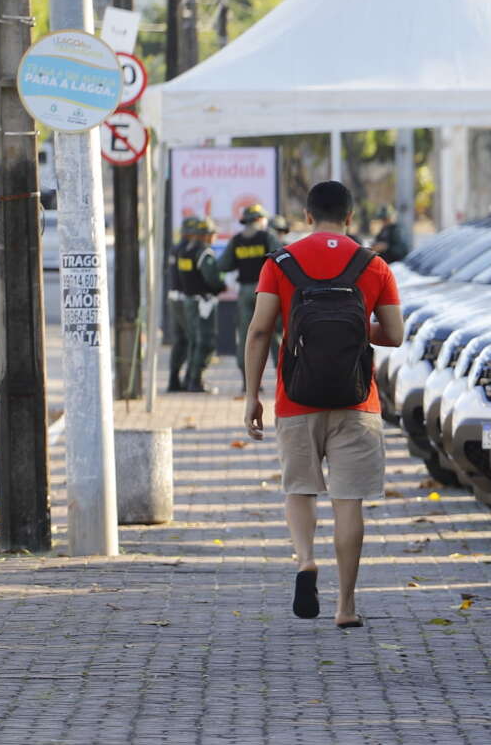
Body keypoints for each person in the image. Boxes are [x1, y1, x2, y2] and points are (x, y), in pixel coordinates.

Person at [243, 180, 403, 629]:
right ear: (350, 217)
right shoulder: (374, 265)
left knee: (300, 489)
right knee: (348, 502)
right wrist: (355, 331)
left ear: (307, 216)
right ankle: (346, 606)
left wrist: (252, 394)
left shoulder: (281, 262)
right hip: (358, 400)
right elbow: (394, 334)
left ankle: (306, 561)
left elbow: (259, 331)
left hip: (296, 398)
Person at [220, 204, 280, 381]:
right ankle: (281, 376)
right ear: (258, 219)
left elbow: (223, 265)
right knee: (275, 333)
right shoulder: (267, 237)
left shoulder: (237, 240)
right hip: (267, 291)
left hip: (245, 292)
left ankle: (248, 382)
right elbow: (280, 257)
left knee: (247, 335)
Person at [167, 217, 225, 393]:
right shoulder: (202, 252)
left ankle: (179, 381)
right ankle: (194, 381)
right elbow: (212, 279)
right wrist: (221, 286)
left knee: (185, 340)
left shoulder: (182, 250)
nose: (215, 236)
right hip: (199, 302)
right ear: (205, 235)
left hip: (183, 299)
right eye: (213, 233)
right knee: (203, 341)